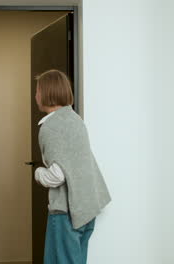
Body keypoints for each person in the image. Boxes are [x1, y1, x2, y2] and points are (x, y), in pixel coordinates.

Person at [34, 69, 111, 264]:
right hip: (87, 208)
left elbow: (58, 174)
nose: (35, 96)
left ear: (46, 93)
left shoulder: (50, 127)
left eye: (37, 90)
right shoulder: (75, 120)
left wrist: (38, 173)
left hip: (66, 212)